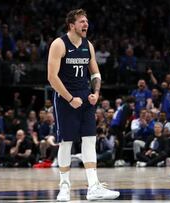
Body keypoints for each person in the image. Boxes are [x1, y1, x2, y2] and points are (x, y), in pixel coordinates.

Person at [47, 9, 120, 201]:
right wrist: (70, 98)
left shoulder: (89, 46)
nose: (86, 24)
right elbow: (52, 77)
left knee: (90, 140)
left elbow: (95, 73)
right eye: (81, 21)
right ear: (72, 25)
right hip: (65, 99)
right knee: (66, 142)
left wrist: (95, 93)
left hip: (85, 98)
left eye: (86, 21)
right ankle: (64, 187)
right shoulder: (59, 44)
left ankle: (93, 186)